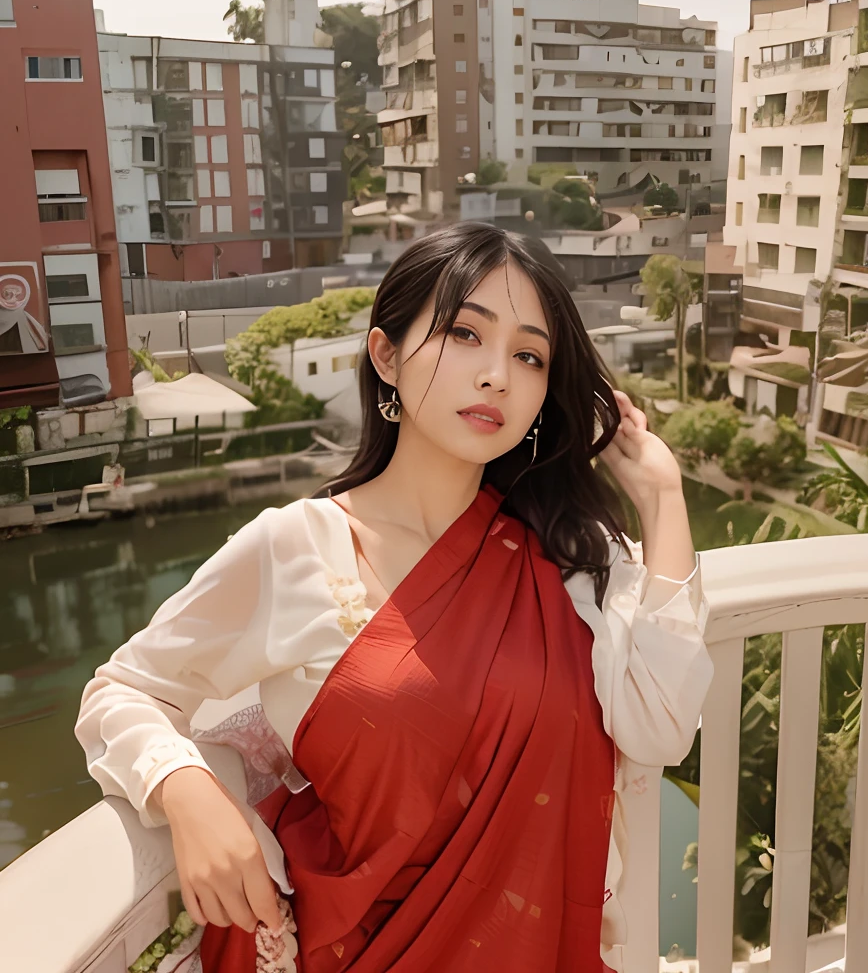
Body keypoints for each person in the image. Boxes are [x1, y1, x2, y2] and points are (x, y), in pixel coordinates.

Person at [76, 223, 713, 973]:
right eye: (465, 335)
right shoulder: (297, 548)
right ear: (386, 354)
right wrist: (187, 794)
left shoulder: (567, 563)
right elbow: (122, 691)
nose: (497, 376)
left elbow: (663, 726)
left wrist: (663, 498)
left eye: (529, 355)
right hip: (354, 949)